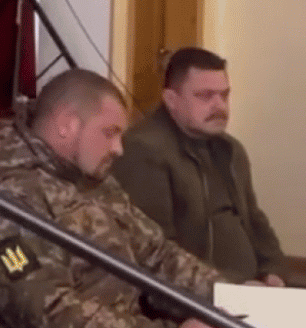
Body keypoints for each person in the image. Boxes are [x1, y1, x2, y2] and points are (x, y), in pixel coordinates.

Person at [0, 69, 227, 328]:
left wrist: (227, 297)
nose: (118, 149)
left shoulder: (91, 177)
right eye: (109, 133)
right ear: (67, 124)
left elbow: (157, 256)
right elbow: (51, 314)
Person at [111, 47, 289, 286]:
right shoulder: (143, 150)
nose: (219, 106)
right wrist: (231, 287)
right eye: (205, 96)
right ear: (171, 100)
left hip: (250, 290)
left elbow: (255, 222)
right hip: (194, 295)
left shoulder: (231, 149)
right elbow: (154, 252)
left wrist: (274, 272)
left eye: (224, 95)